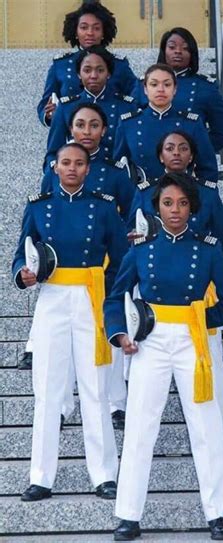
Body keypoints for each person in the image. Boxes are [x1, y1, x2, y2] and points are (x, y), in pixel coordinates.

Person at [104, 172, 223, 541]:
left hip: (193, 342)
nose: (175, 210)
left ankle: (219, 514)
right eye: (168, 203)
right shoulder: (140, 250)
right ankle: (128, 515)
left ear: (192, 208)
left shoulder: (208, 250)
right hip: (150, 341)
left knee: (207, 427)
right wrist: (121, 333)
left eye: (182, 203)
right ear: (156, 208)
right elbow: (114, 297)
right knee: (139, 427)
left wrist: (199, 319)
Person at [12, 143, 128, 503]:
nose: (73, 169)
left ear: (88, 168)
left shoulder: (105, 207)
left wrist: (115, 307)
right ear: (55, 166)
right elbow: (20, 254)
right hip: (53, 297)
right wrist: (24, 275)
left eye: (79, 163)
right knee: (47, 388)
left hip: (91, 297)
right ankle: (41, 476)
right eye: (66, 163)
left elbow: (123, 260)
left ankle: (104, 474)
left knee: (95, 387)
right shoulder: (39, 206)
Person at [129, 131, 223, 451]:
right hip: (157, 289)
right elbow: (132, 232)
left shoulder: (208, 194)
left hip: (199, 293)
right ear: (160, 155)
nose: (176, 153)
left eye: (183, 148)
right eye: (169, 147)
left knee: (210, 364)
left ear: (192, 155)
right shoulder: (145, 191)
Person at [41, 103, 136, 429]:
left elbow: (130, 210)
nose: (87, 131)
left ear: (104, 131)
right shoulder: (55, 170)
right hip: (66, 270)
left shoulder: (113, 173)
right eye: (80, 124)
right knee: (64, 340)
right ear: (71, 130)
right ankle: (62, 403)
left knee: (106, 330)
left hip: (103, 266)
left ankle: (114, 402)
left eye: (94, 125)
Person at [37, 0, 137, 126]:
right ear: (75, 31)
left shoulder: (119, 65)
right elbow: (44, 105)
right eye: (84, 27)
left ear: (103, 32)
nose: (90, 33)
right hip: (71, 137)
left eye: (96, 28)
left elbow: (136, 97)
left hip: (111, 136)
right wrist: (49, 115)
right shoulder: (60, 65)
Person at [133, 27, 223, 152]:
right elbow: (131, 125)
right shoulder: (144, 83)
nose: (178, 51)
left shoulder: (205, 87)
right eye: (172, 47)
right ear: (164, 51)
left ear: (192, 54)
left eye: (185, 48)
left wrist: (196, 151)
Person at [114, 63, 217, 181]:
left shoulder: (191, 124)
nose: (160, 89)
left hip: (182, 194)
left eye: (167, 84)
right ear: (145, 89)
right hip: (140, 196)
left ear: (175, 89)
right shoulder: (128, 123)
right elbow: (118, 168)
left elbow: (208, 169)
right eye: (154, 84)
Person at [45, 46, 138, 161]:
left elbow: (135, 151)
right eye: (87, 70)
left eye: (100, 70)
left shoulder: (126, 106)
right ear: (79, 74)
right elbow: (53, 153)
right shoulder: (65, 107)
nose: (93, 76)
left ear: (109, 74)